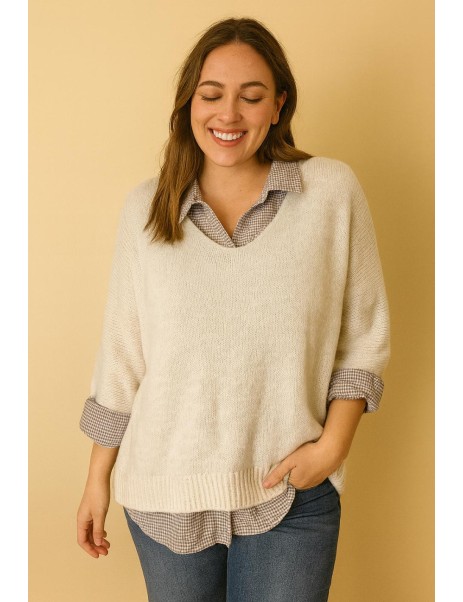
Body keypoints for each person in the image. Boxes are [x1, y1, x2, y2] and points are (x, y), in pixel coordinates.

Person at [76, 17, 390, 602]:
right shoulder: (146, 208)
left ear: (278, 105)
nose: (229, 114)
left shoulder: (329, 192)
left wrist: (332, 448)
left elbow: (363, 337)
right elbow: (122, 356)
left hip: (291, 494)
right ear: (188, 103)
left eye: (251, 96)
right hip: (164, 492)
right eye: (212, 94)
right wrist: (97, 478)